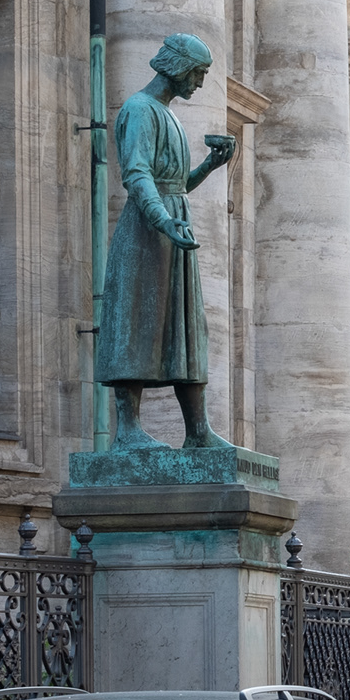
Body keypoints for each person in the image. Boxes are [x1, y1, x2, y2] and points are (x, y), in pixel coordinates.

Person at [100, 33, 237, 450]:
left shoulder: (169, 116)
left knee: (185, 327)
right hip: (146, 233)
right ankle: (128, 431)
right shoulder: (139, 109)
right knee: (135, 324)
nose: (199, 81)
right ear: (177, 67)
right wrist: (162, 220)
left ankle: (197, 432)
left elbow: (176, 185)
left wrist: (211, 166)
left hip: (171, 228)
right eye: (197, 72)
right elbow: (137, 175)